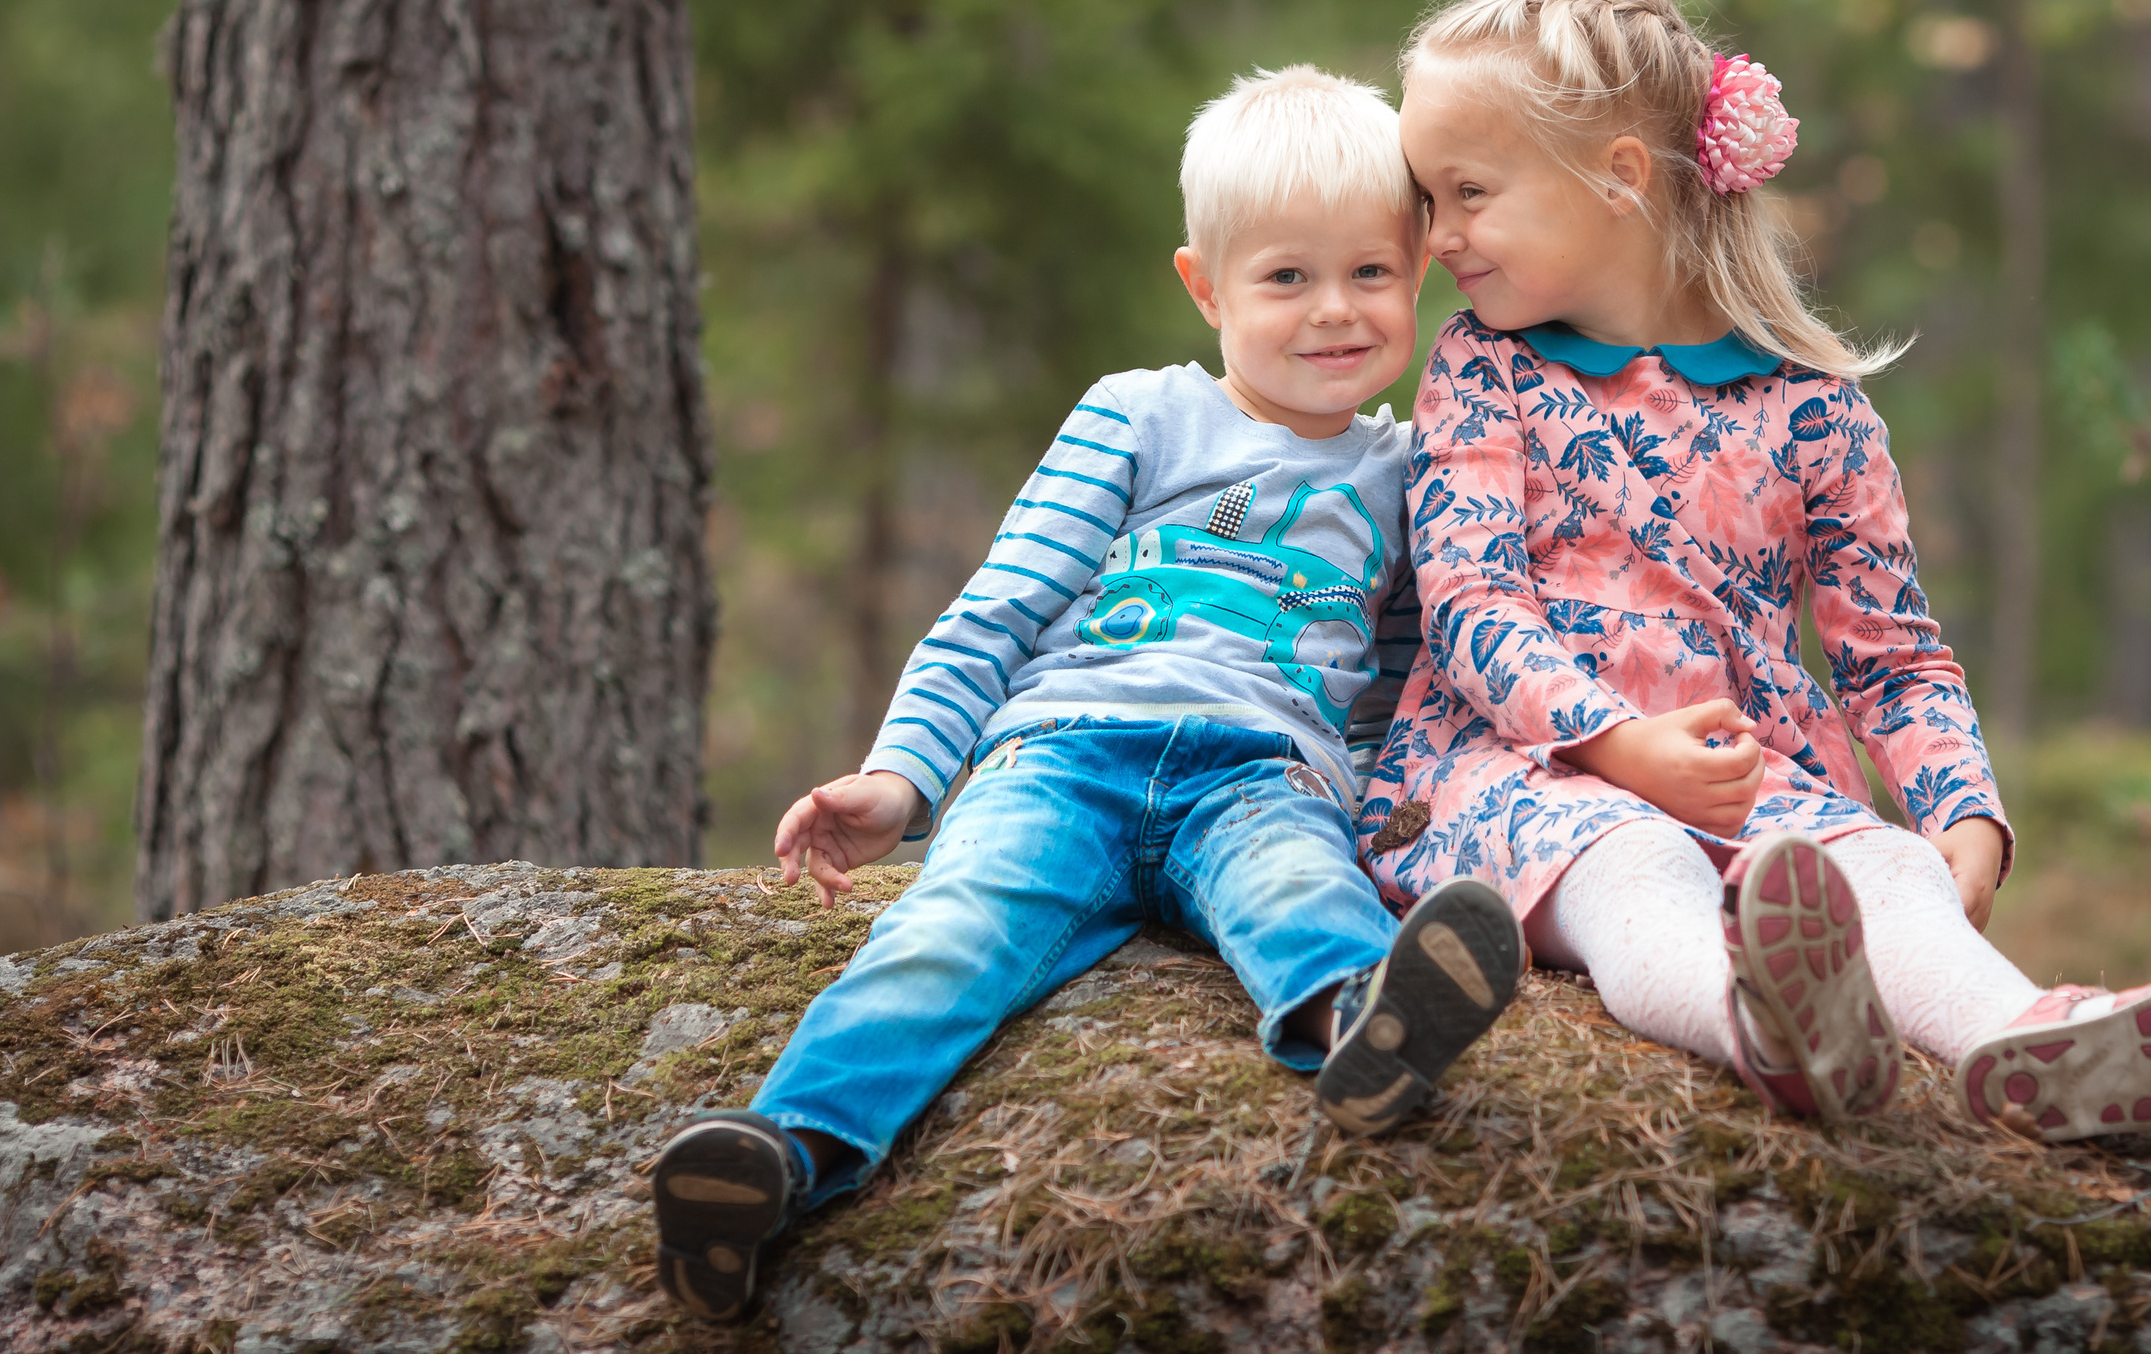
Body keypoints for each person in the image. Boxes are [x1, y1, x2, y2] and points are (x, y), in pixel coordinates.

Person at [1359, 0, 2151, 1138]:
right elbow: (1466, 596)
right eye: (1427, 198)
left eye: (1466, 193)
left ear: (1616, 177)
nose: (1436, 236)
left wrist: (1963, 813)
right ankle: (1765, 1027)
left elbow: (1892, 655)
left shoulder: (1813, 408)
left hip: (1749, 782)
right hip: (1523, 773)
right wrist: (1617, 741)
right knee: (1631, 862)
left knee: (1889, 874)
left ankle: (2034, 1046)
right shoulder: (1482, 367)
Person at [649, 66, 1524, 1320]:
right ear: (1205, 284)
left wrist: (1396, 811)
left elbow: (1389, 689)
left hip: (1261, 770)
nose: (1334, 311)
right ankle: (778, 1154)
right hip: (1066, 751)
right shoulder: (1141, 416)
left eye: (1370, 274)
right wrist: (899, 779)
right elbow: (998, 606)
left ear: (1417, 275)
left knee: (1296, 885)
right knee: (949, 932)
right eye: (1286, 277)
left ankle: (1362, 1025)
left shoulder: (1407, 472)